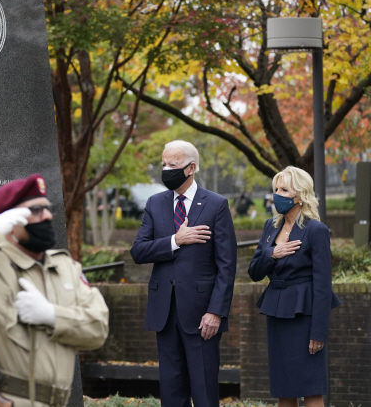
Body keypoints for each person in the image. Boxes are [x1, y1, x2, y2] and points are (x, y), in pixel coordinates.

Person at [0, 174, 109, 407]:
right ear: (9, 221)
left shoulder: (65, 267)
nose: (46, 216)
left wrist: (52, 316)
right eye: (35, 210)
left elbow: (98, 329)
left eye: (48, 208)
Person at [130, 140, 237, 407]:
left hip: (202, 315)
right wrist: (176, 240)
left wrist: (216, 311)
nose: (166, 170)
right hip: (164, 313)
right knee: (171, 391)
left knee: (203, 391)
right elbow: (138, 252)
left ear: (191, 168)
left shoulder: (216, 205)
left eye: (172, 165)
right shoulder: (155, 204)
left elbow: (227, 265)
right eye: (163, 164)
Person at [248, 166, 341, 407]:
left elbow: (322, 285)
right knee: (284, 389)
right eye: (276, 189)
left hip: (305, 317)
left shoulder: (316, 230)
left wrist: (318, 332)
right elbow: (255, 272)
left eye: (284, 189)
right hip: (277, 315)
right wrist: (273, 253)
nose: (277, 194)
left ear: (299, 195)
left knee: (311, 390)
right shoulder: (271, 227)